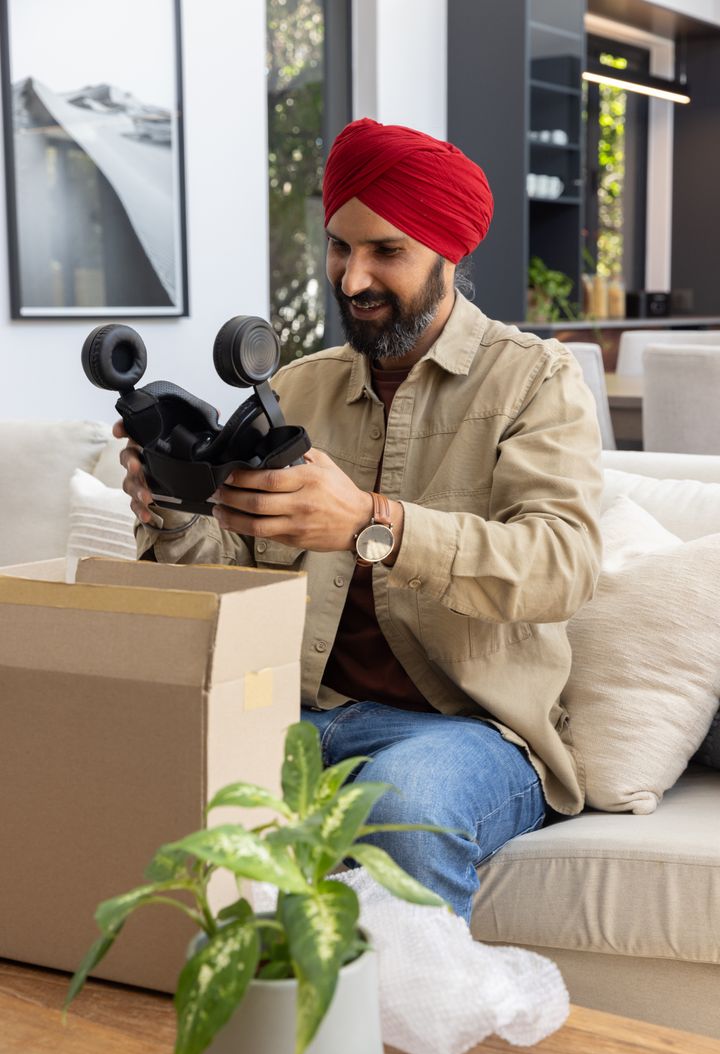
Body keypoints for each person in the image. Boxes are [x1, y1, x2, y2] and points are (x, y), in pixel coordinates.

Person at [117, 117, 603, 923]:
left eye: (386, 252)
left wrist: (372, 524)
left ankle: (399, 1048)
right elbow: (219, 581)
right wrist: (170, 510)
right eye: (341, 248)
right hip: (300, 716)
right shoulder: (297, 390)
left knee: (400, 803)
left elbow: (563, 565)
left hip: (469, 732)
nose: (351, 279)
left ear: (450, 253)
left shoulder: (534, 381)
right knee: (144, 781)